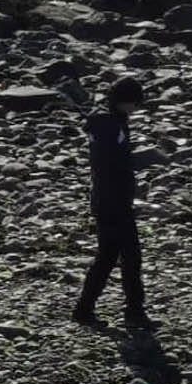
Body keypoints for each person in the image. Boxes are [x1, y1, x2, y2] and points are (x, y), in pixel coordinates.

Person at [72, 75, 152, 329]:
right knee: (130, 256)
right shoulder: (110, 126)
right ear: (124, 101)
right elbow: (110, 167)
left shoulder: (108, 123)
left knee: (107, 256)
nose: (137, 107)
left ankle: (84, 310)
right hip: (114, 202)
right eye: (135, 102)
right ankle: (134, 312)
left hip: (107, 201)